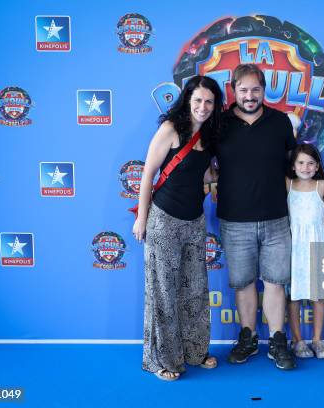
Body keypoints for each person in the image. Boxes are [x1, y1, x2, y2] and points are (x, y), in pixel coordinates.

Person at [133, 75, 223, 381]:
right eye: (197, 100)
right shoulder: (170, 130)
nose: (203, 106)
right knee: (163, 293)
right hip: (164, 220)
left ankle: (196, 352)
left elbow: (206, 173)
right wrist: (141, 217)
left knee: (195, 290)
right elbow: (148, 175)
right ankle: (163, 361)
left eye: (209, 101)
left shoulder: (210, 136)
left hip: (195, 222)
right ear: (187, 100)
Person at [215, 64, 297, 370]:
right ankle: (247, 338)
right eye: (243, 90)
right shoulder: (218, 124)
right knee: (243, 283)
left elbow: (296, 166)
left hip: (277, 219)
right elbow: (201, 163)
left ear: (264, 90)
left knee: (276, 283)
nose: (249, 96)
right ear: (233, 90)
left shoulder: (280, 123)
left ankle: (278, 340)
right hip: (234, 221)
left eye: (255, 90)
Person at [286, 144, 324, 359]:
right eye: (300, 162)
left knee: (319, 295)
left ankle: (317, 339)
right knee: (295, 295)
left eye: (310, 163)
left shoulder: (322, 186)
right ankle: (298, 340)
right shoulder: (288, 184)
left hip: (318, 242)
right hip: (294, 244)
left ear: (317, 165)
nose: (305, 167)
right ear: (293, 165)